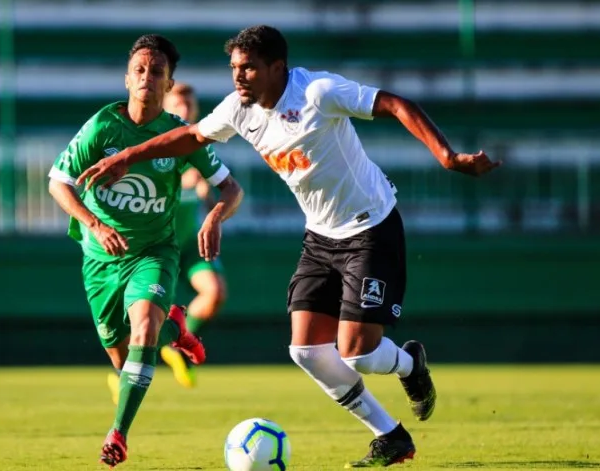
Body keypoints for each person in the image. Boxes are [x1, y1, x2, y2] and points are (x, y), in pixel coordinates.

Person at [75, 25, 501, 468]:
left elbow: (395, 103)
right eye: (234, 68)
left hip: (371, 228)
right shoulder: (240, 109)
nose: (238, 77)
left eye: (249, 68)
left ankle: (410, 364)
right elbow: (192, 137)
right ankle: (390, 436)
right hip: (321, 236)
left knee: (358, 352)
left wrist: (448, 157)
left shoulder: (317, 91)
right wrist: (127, 156)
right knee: (306, 351)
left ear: (277, 68)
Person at [47, 34, 243, 468]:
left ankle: (118, 434)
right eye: (140, 70)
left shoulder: (179, 136)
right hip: (100, 259)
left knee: (143, 334)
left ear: (169, 84)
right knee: (123, 358)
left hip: (154, 251)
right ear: (126, 79)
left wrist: (214, 217)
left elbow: (232, 188)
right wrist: (94, 223)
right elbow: (57, 182)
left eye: (157, 72)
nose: (147, 78)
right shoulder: (102, 126)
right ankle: (177, 329)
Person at [159, 82, 229, 388]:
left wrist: (208, 198)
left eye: (189, 105)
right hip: (158, 246)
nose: (185, 110)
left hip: (189, 245)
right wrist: (185, 181)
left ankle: (176, 343)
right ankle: (125, 375)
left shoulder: (201, 146)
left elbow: (220, 199)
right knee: (144, 318)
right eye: (178, 104)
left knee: (214, 293)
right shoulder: (158, 144)